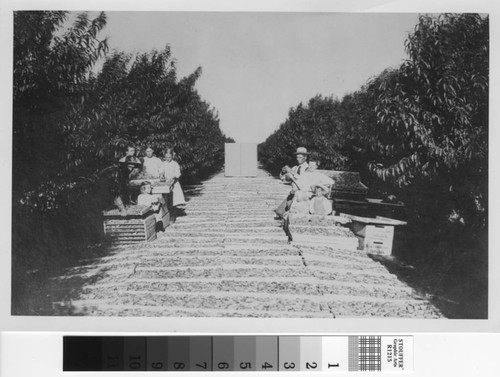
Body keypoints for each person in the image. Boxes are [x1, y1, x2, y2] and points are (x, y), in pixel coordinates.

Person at [275, 147, 310, 218]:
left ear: (305, 157)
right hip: (293, 193)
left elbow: (303, 180)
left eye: (300, 157)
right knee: (279, 212)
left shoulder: (308, 168)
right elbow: (283, 179)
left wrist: (291, 172)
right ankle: (289, 210)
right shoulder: (295, 167)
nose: (298, 159)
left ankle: (291, 212)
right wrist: (283, 172)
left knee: (292, 213)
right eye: (297, 157)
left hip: (302, 194)